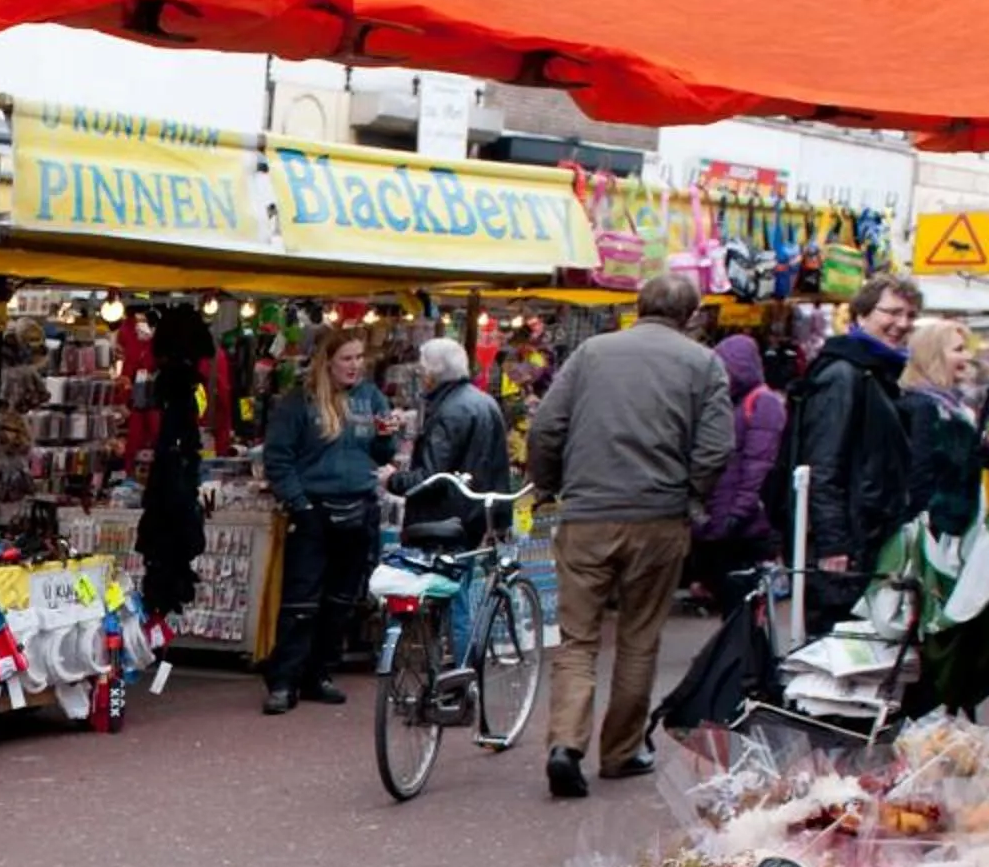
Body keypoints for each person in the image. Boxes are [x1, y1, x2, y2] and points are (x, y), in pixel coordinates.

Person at [527, 271, 733, 799]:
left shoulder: (593, 353)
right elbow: (716, 447)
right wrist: (689, 496)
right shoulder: (704, 364)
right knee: (639, 639)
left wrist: (548, 484)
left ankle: (564, 745)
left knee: (578, 638)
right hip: (659, 518)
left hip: (588, 513)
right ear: (691, 316)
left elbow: (548, 424)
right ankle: (619, 751)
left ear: (637, 305)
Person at [260, 328, 398, 715]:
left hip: (358, 507)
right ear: (328, 361)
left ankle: (318, 674)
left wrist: (388, 438)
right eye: (347, 359)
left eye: (359, 358)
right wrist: (299, 504)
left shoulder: (371, 398)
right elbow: (278, 457)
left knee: (340, 600)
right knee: (301, 600)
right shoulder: (298, 402)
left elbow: (381, 452)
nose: (355, 366)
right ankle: (284, 680)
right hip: (314, 509)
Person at [785, 275, 921, 573]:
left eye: (910, 315)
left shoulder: (878, 375)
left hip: (871, 534)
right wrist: (833, 542)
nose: (903, 323)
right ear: (861, 315)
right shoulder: (845, 374)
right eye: (893, 312)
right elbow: (822, 464)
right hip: (850, 542)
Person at [690, 334, 785, 609]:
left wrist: (739, 511)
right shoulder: (729, 402)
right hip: (723, 517)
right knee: (730, 597)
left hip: (744, 523)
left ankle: (741, 651)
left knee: (742, 601)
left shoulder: (761, 402)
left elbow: (759, 462)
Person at [394, 336, 509, 544]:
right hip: (478, 516)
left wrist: (393, 480)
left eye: (421, 370)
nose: (420, 377)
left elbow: (432, 477)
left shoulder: (448, 411)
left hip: (443, 523)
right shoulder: (486, 402)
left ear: (430, 375)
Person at [898, 319, 988, 529]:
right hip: (936, 530)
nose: (967, 356)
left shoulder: (952, 405)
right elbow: (920, 475)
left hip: (954, 525)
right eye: (958, 349)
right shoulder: (924, 407)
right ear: (933, 355)